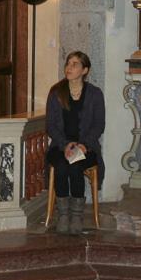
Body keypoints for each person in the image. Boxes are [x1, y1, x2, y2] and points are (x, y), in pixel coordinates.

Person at [46, 51, 105, 235]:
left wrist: (83, 144)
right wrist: (65, 145)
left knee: (75, 166)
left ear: (84, 70)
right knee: (62, 166)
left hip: (86, 148)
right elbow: (51, 126)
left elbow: (98, 125)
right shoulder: (56, 92)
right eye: (68, 63)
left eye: (75, 64)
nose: (69, 68)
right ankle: (63, 214)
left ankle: (77, 215)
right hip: (60, 146)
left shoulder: (95, 94)